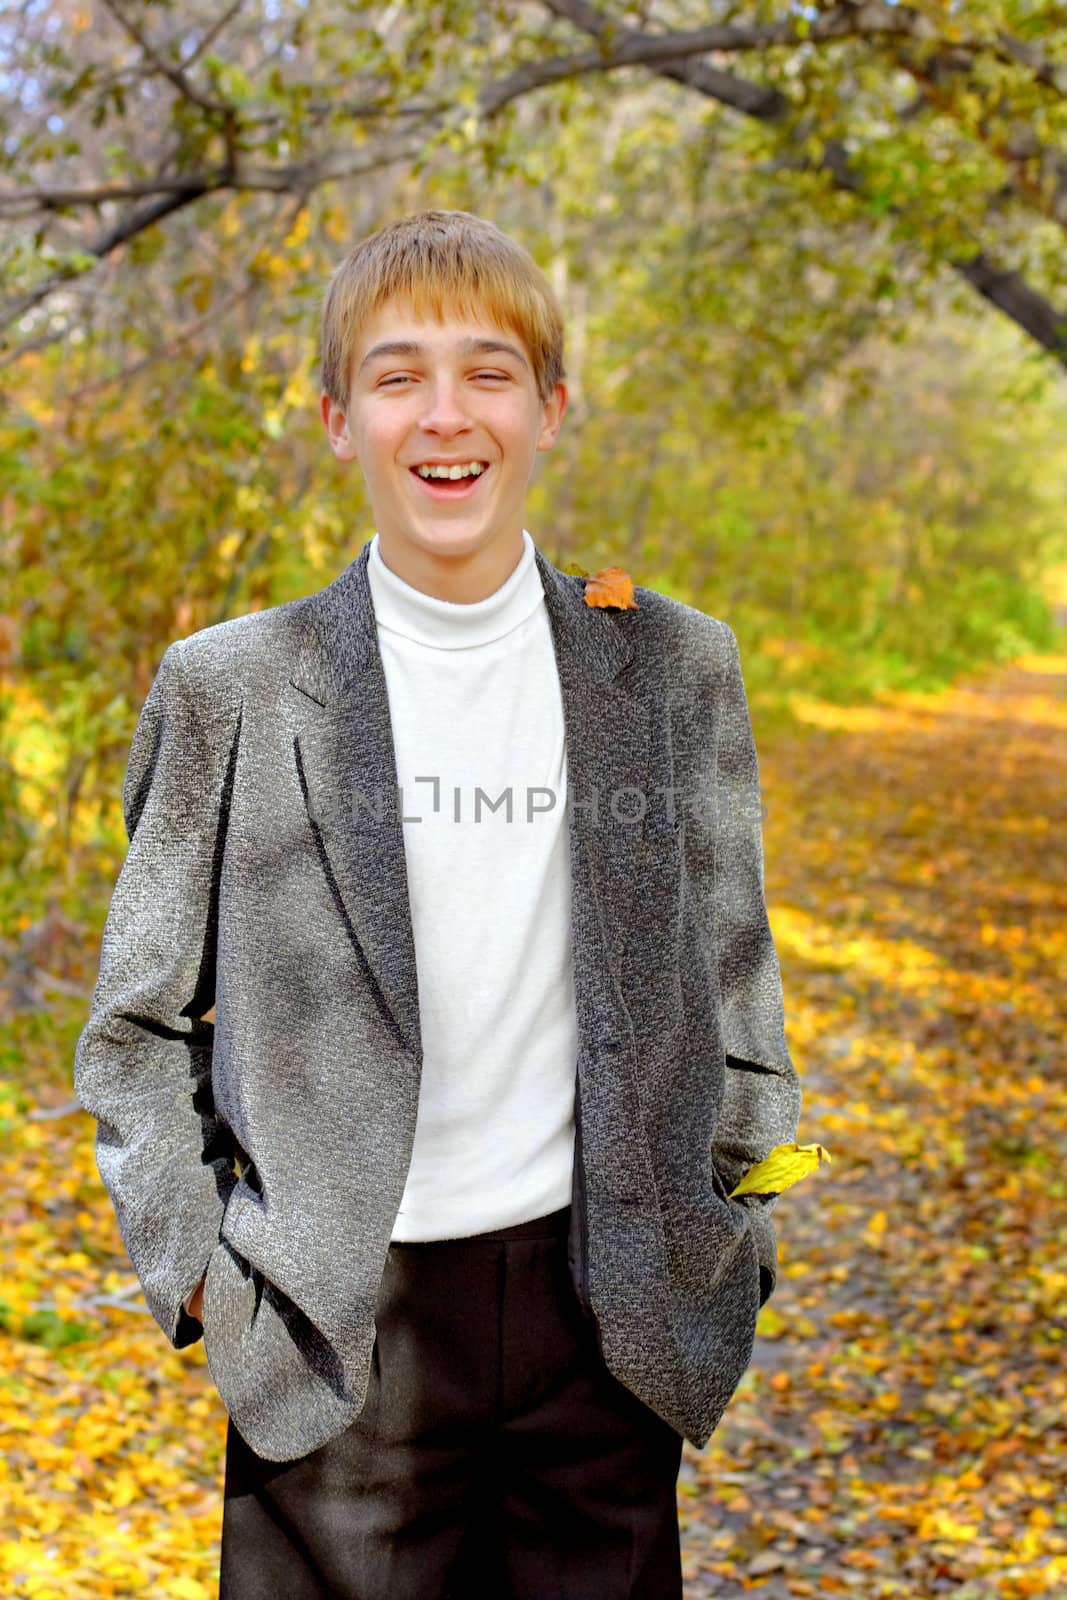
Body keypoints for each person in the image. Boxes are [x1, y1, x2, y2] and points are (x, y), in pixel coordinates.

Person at [74, 209, 802, 1599]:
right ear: (340, 418)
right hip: (338, 1337)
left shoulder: (671, 665)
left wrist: (742, 1234)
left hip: (610, 1320)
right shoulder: (230, 687)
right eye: (399, 374)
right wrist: (193, 1274)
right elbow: (134, 1028)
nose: (445, 414)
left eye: (489, 371)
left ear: (550, 406)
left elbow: (736, 982)